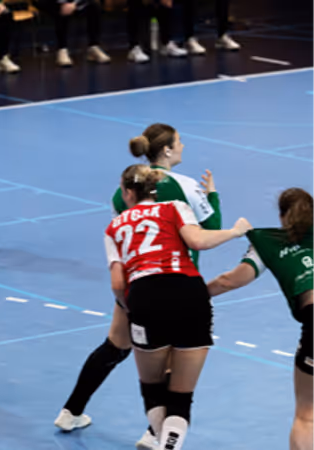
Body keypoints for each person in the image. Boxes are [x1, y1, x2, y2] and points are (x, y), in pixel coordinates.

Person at [56, 123, 223, 449]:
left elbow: (123, 232)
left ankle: (71, 411)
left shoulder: (124, 189)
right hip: (177, 281)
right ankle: (155, 434)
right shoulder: (186, 185)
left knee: (115, 346)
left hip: (134, 284)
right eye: (179, 142)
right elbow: (211, 227)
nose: (183, 146)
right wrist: (213, 195)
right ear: (167, 150)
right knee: (172, 360)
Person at [105, 164, 250, 450]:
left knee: (152, 389)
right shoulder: (174, 207)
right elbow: (198, 240)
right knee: (182, 397)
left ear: (128, 193)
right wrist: (235, 232)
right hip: (189, 293)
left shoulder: (115, 226)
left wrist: (130, 308)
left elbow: (118, 284)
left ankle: (163, 442)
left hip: (145, 296)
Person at [207, 188, 314, 450]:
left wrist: (192, 294)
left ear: (282, 216)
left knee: (307, 416)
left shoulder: (267, 242)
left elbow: (229, 280)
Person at [34, 0, 110, 67]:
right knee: (63, 10)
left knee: (94, 7)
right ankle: (62, 49)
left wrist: (75, 3)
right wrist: (65, 3)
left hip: (73, 2)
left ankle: (93, 47)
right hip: (51, 2)